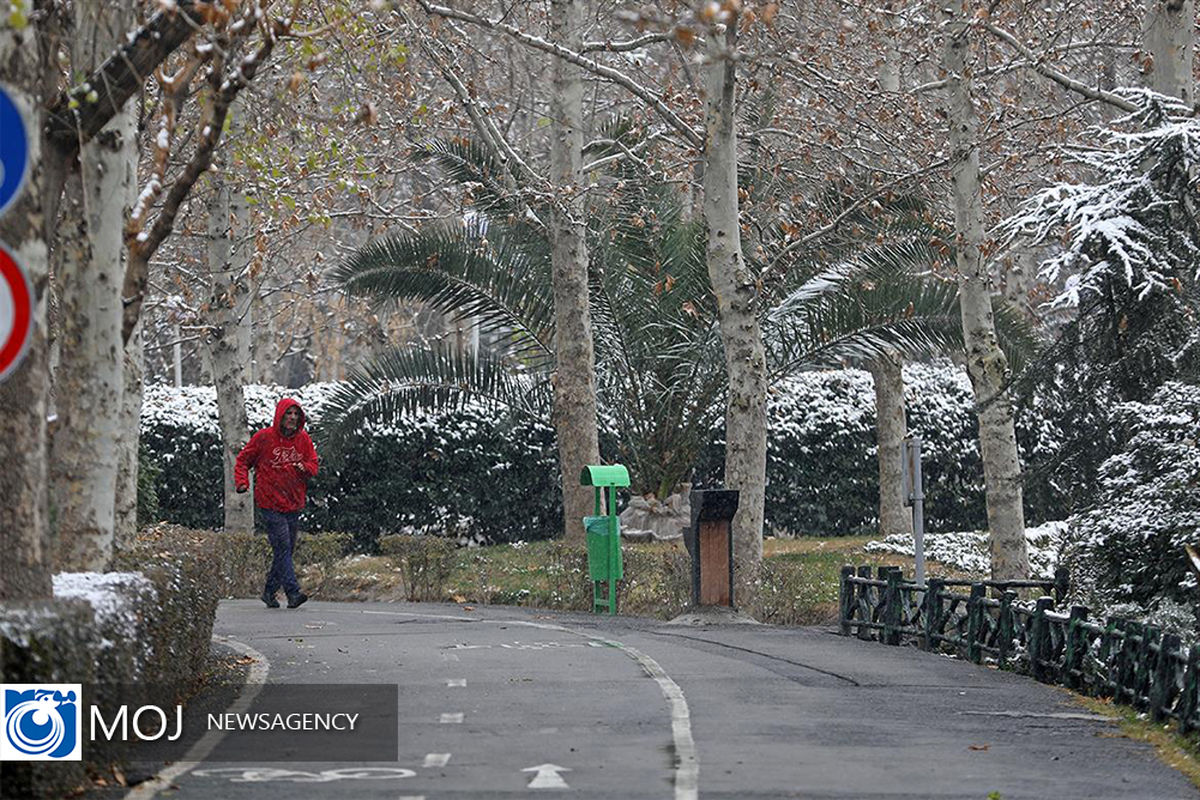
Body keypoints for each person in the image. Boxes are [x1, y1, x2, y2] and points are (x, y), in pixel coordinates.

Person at [235, 397, 318, 609]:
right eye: (288, 414)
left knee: (285, 550)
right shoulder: (264, 438)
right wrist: (242, 482)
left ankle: (269, 591)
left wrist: (304, 468)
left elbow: (313, 466)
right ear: (280, 416)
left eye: (295, 414)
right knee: (282, 545)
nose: (292, 418)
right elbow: (243, 460)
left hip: (293, 501)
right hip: (269, 502)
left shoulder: (304, 440)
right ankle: (293, 592)